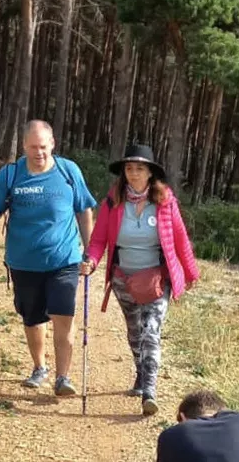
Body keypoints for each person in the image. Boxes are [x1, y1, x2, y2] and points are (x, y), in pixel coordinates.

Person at [0, 120, 97, 398]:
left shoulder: (68, 171)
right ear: (24, 146)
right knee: (32, 317)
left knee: (63, 314)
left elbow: (84, 210)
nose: (39, 152)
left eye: (43, 146)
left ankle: (63, 377)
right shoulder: (10, 175)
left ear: (52, 144)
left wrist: (89, 250)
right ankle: (39, 367)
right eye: (33, 147)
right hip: (23, 261)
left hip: (64, 259)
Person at [81, 143, 200, 417]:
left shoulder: (165, 202)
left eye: (140, 168)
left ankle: (149, 391)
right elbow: (98, 240)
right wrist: (91, 261)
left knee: (151, 332)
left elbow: (180, 239)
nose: (134, 173)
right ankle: (140, 372)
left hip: (156, 280)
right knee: (135, 333)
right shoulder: (113, 202)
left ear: (150, 173)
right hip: (123, 279)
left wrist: (191, 272)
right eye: (129, 168)